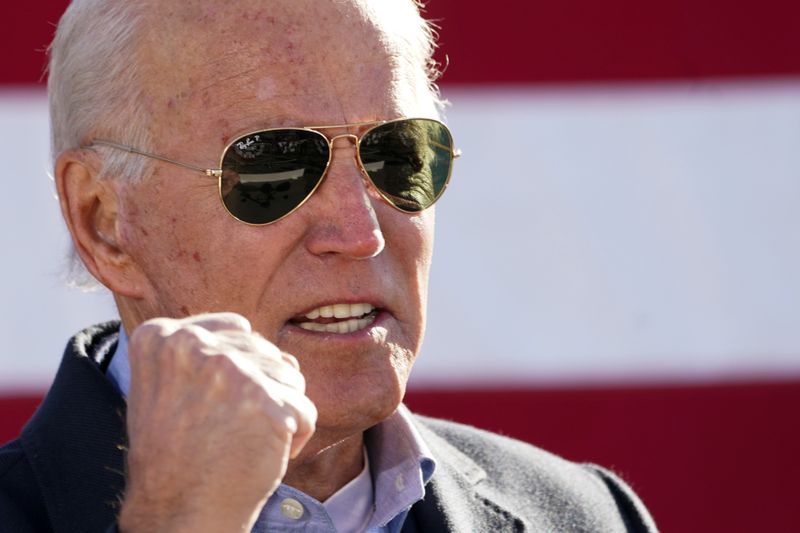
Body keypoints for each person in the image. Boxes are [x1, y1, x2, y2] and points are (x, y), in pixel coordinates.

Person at [0, 0, 658, 531]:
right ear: (103, 221)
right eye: (275, 166)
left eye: (396, 153)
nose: (360, 230)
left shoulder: (587, 516)